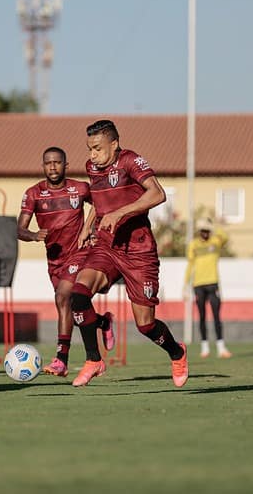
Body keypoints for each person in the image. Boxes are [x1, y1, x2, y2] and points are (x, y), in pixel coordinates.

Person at [69, 119, 188, 387]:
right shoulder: (92, 167)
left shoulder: (131, 161)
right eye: (89, 149)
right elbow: (99, 204)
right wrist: (87, 228)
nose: (92, 155)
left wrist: (120, 213)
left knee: (145, 325)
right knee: (78, 295)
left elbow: (157, 194)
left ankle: (177, 352)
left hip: (138, 250)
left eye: (98, 148)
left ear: (114, 144)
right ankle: (93, 359)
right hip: (107, 245)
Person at [17, 146, 107, 377]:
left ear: (66, 165)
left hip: (78, 253)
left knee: (62, 297)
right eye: (48, 163)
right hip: (54, 260)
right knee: (71, 310)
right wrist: (34, 235)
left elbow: (101, 203)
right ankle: (101, 323)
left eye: (57, 162)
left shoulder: (79, 188)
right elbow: (20, 229)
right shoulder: (34, 193)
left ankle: (61, 359)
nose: (53, 167)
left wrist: (91, 229)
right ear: (43, 166)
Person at [184, 217, 232, 359]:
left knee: (217, 316)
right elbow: (190, 265)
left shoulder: (215, 242)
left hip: (212, 283)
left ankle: (221, 347)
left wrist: (213, 226)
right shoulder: (194, 245)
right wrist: (186, 285)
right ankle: (204, 347)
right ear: (199, 232)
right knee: (202, 316)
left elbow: (225, 237)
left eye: (207, 231)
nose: (205, 233)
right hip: (198, 285)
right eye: (202, 231)